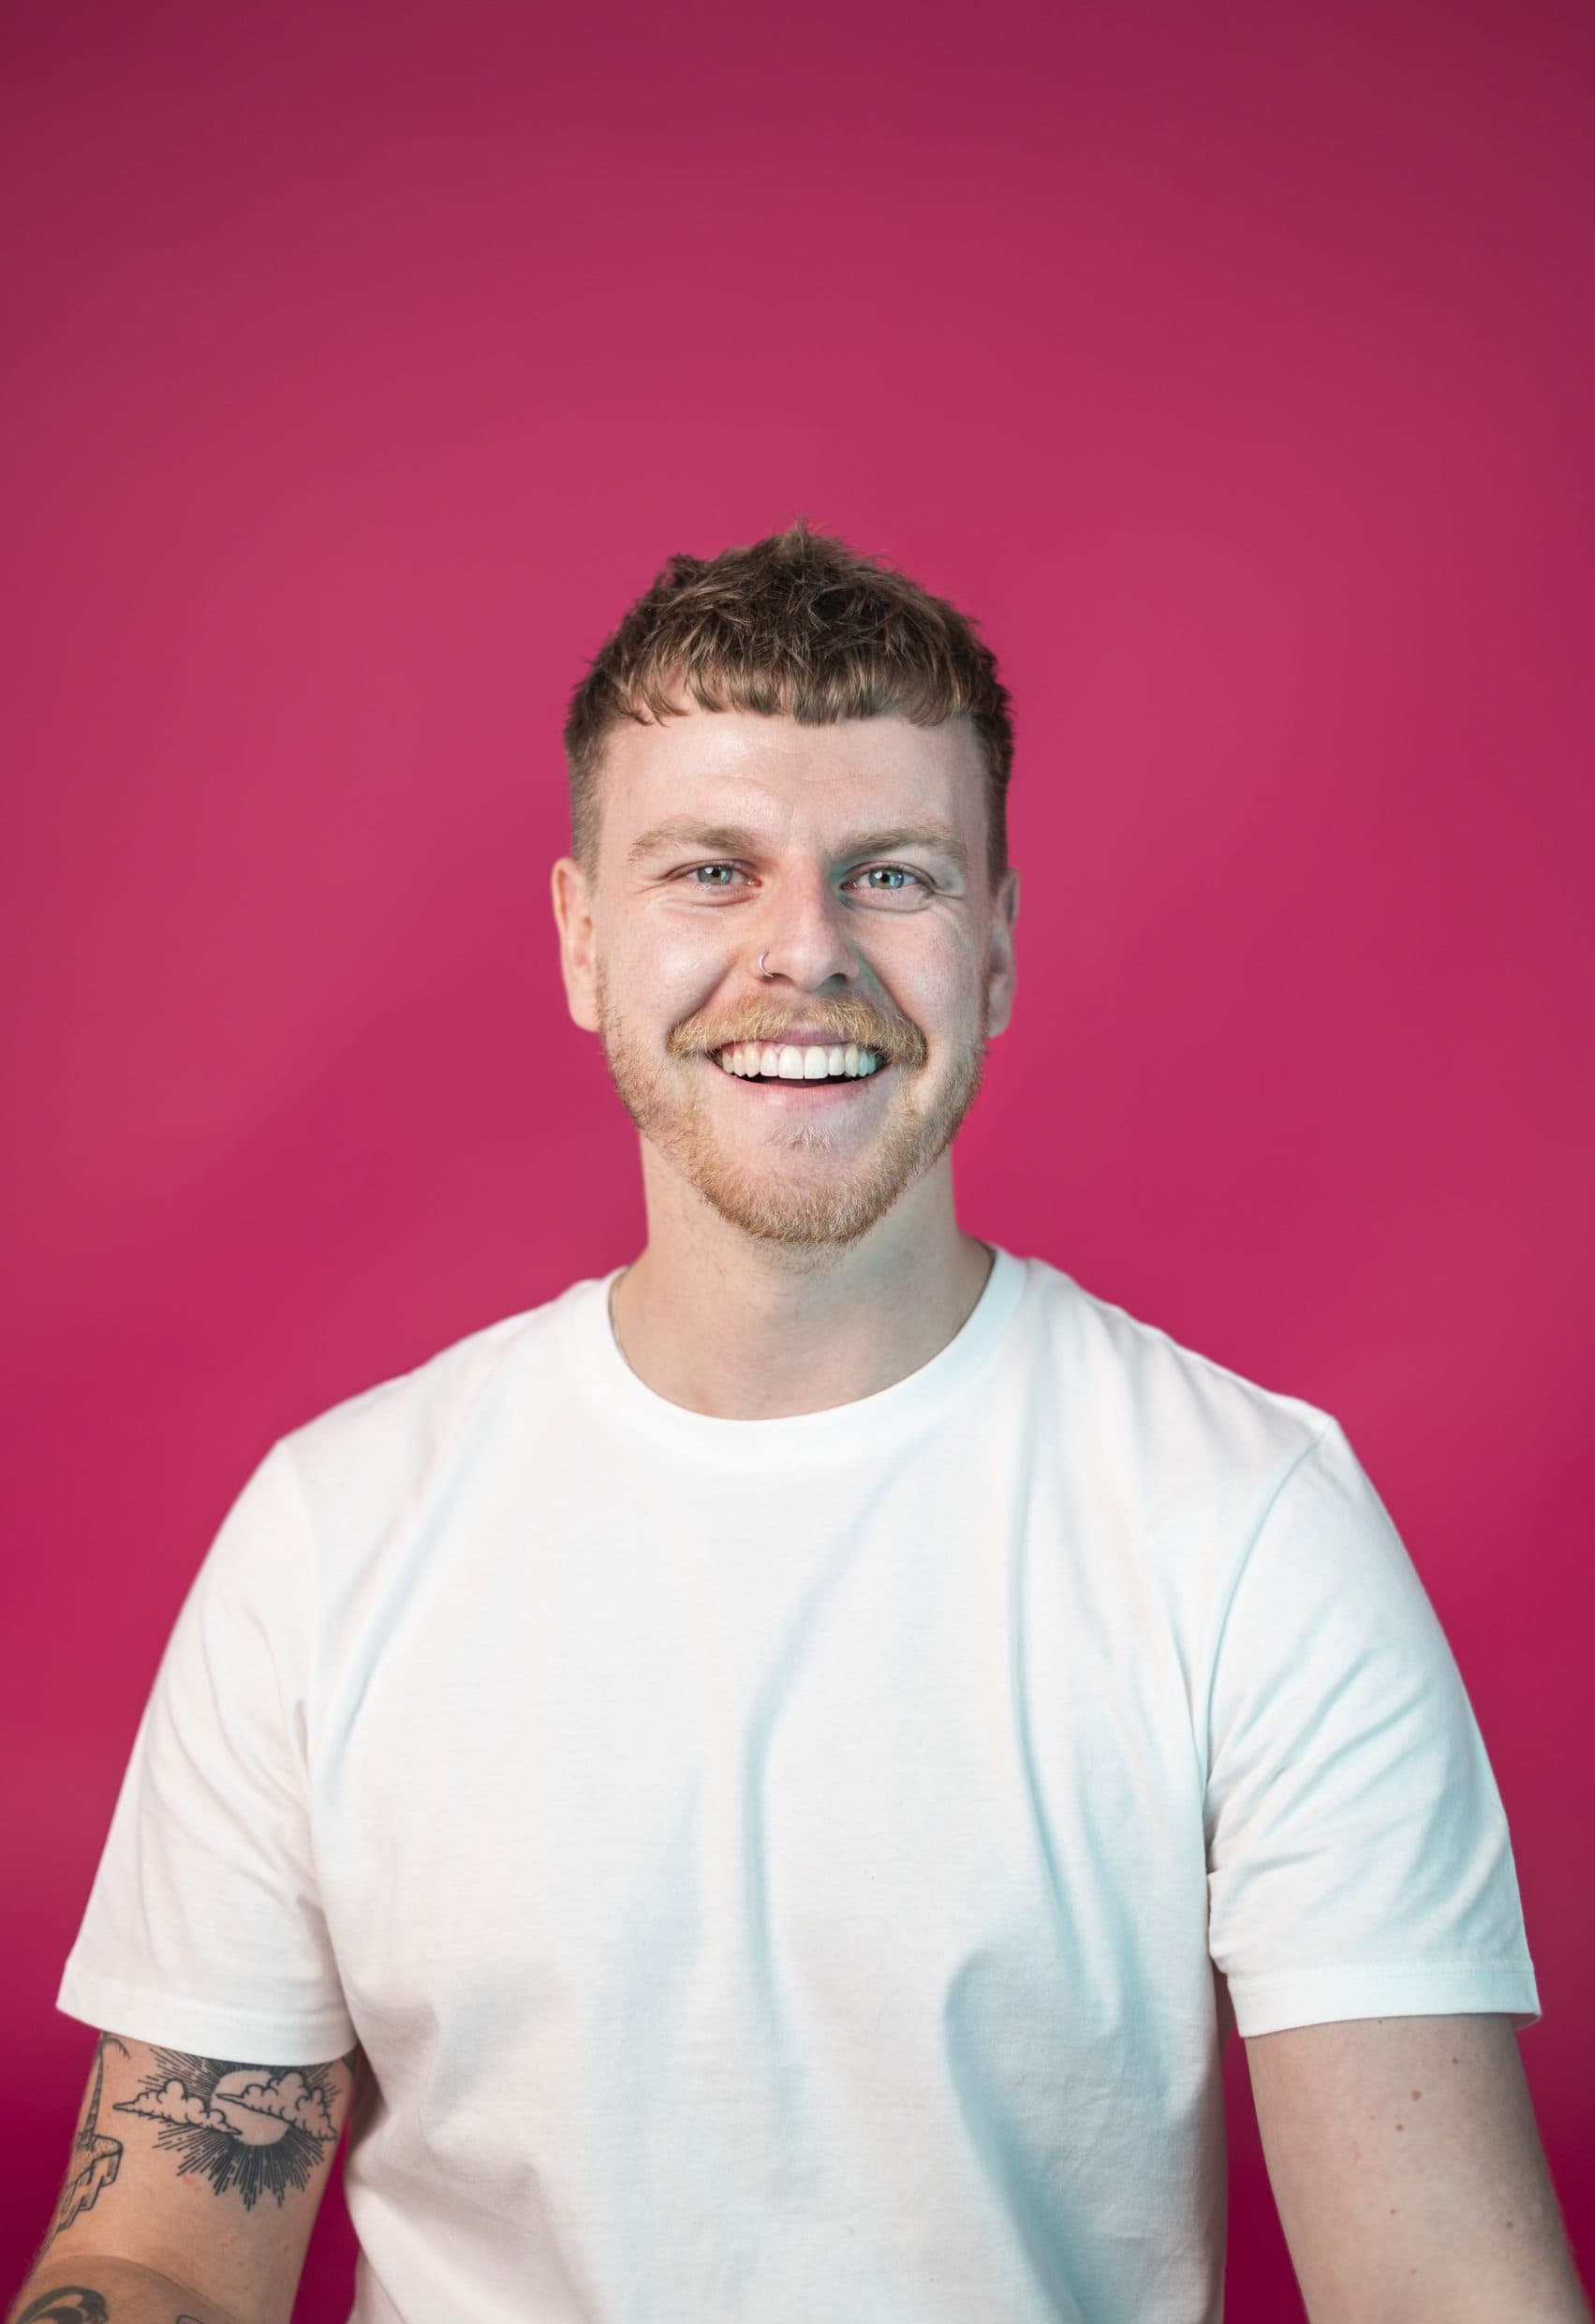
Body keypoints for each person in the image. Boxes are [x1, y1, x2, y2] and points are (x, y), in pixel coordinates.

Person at [13, 525, 1588, 2324]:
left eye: (894, 876)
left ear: (993, 951)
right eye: (712, 869)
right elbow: (159, 2251)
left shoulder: (1250, 1524)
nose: (804, 952)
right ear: (583, 941)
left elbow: (1443, 2284)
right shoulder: (332, 1530)